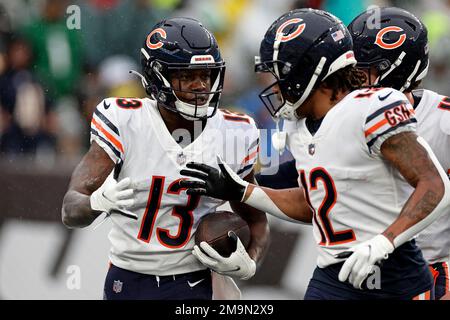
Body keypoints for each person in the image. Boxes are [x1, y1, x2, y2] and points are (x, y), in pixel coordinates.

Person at [180, 8, 450, 300]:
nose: (275, 85)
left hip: (402, 268)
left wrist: (385, 241)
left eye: (282, 73)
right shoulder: (300, 125)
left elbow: (435, 186)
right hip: (334, 270)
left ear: (309, 71)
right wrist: (244, 191)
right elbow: (317, 200)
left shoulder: (378, 107)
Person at [61, 17, 269, 300]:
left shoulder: (236, 132)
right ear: (158, 77)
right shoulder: (125, 120)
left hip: (197, 281)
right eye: (187, 76)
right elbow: (70, 210)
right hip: (129, 278)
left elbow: (255, 219)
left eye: (206, 75)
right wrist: (97, 202)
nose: (199, 86)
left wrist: (250, 261)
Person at [347, 6, 450, 300]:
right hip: (355, 273)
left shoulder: (443, 120)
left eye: (364, 71)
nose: (354, 81)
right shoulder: (343, 117)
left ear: (398, 69)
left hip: (425, 275)